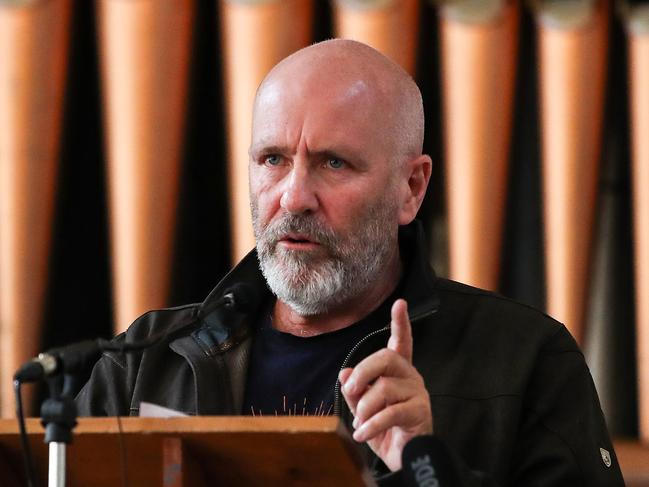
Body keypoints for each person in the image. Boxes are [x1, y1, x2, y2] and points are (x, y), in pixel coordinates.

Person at [77, 39, 624, 485]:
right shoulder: (144, 363)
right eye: (273, 159)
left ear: (411, 188)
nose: (293, 197)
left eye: (333, 163)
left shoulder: (523, 360)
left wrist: (429, 467)